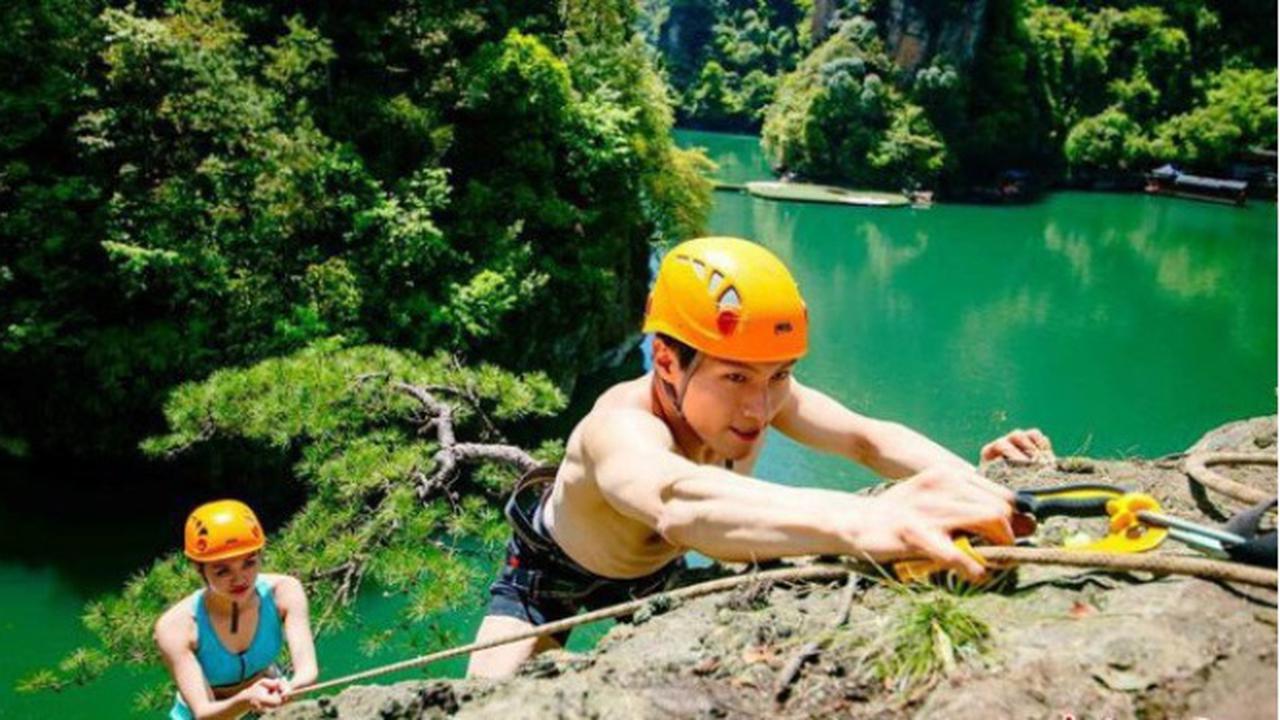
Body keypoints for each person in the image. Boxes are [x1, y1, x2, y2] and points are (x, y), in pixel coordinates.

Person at [466, 236, 1054, 679]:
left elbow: (866, 439)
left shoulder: (763, 395)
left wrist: (970, 478)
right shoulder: (618, 427)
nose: (759, 405)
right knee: (489, 700)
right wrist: (868, 519)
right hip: (549, 580)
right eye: (735, 377)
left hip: (660, 573)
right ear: (667, 362)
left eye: (779, 375)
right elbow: (674, 500)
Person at [154, 500, 318, 719]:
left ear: (260, 554)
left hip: (269, 704)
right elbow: (203, 713)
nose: (240, 579)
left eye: (249, 563)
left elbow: (308, 670)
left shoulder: (284, 592)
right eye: (222, 571)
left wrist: (293, 686)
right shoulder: (176, 627)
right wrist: (246, 700)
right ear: (198, 568)